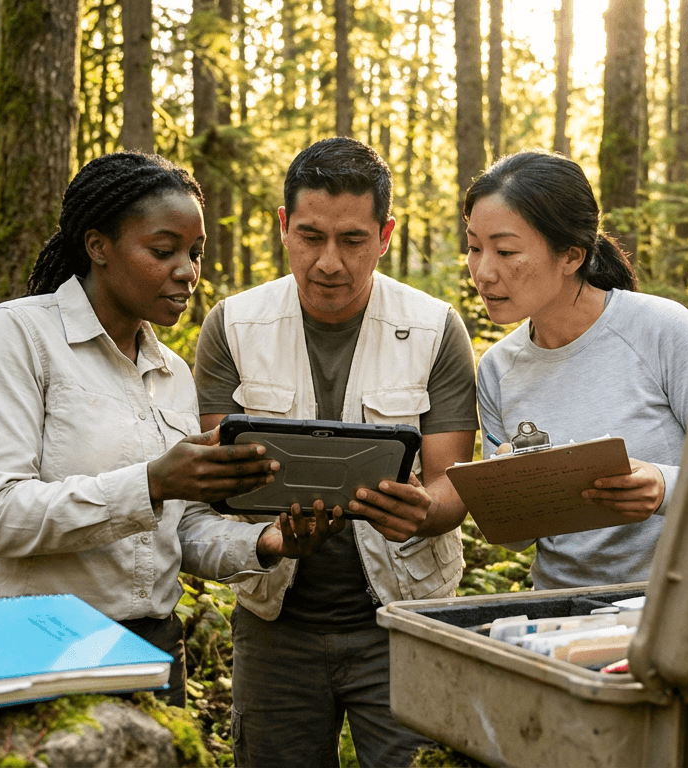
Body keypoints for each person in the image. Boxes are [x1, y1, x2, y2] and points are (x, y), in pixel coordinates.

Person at [0, 152, 338, 707]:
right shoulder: (17, 337)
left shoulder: (172, 374)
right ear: (97, 246)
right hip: (24, 641)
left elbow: (176, 533)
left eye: (195, 253)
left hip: (148, 649)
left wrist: (268, 541)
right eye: (163, 251)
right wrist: (152, 482)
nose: (187, 270)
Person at [194, 137, 479, 767]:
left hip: (406, 623)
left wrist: (424, 511)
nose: (329, 262)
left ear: (385, 235)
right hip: (275, 628)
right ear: (283, 228)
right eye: (311, 236)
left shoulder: (434, 328)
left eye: (352, 240)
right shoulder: (232, 326)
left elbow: (452, 483)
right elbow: (214, 484)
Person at [464, 150, 688, 589]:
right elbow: (516, 541)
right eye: (474, 247)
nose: (483, 272)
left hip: (672, 604)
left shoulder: (664, 331)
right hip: (557, 610)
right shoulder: (497, 368)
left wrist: (663, 486)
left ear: (571, 256)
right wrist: (509, 490)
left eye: (505, 251)